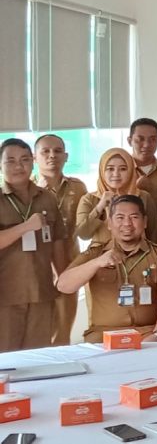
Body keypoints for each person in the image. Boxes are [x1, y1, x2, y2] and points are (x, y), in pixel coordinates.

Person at [58, 195, 157, 343]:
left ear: (145, 222)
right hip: (103, 336)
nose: (127, 223)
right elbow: (63, 285)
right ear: (109, 223)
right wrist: (96, 263)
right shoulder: (95, 254)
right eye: (120, 218)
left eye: (134, 217)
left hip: (148, 333)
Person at [0, 138, 70, 351]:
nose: (18, 166)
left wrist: (64, 278)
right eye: (10, 161)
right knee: (6, 359)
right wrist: (25, 227)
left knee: (39, 355)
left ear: (32, 162)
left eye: (24, 160)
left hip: (41, 290)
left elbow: (57, 241)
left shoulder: (46, 197)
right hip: (6, 294)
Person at [33, 134, 88, 346]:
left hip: (69, 264)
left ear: (66, 156)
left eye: (57, 151)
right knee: (38, 332)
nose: (51, 156)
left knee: (64, 330)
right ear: (35, 157)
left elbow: (83, 228)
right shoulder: (28, 191)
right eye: (45, 151)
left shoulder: (77, 187)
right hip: (37, 267)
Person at [75, 148, 157, 247]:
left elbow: (154, 235)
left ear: (131, 170)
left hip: (137, 257)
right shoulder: (89, 199)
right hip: (100, 258)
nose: (116, 174)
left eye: (123, 169)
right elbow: (83, 234)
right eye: (110, 169)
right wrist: (100, 206)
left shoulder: (143, 197)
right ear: (102, 171)